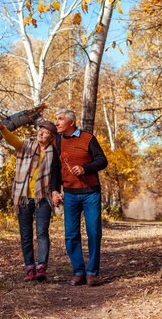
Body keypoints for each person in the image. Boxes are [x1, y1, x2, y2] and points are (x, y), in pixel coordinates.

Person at [0, 117, 61, 282]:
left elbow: (57, 175)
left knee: (42, 233)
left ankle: (42, 267)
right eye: (40, 130)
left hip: (43, 198)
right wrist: (2, 128)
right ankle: (30, 268)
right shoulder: (27, 146)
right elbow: (13, 140)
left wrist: (56, 192)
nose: (41, 133)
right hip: (23, 197)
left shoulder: (54, 153)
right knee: (26, 234)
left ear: (51, 137)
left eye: (45, 132)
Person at [52, 109, 108, 286]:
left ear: (71, 122)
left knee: (93, 232)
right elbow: (55, 168)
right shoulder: (57, 141)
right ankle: (78, 272)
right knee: (70, 235)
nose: (56, 123)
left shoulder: (88, 138)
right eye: (56, 120)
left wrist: (85, 169)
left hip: (91, 193)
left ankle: (92, 273)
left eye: (59, 119)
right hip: (69, 194)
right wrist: (54, 190)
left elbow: (102, 160)